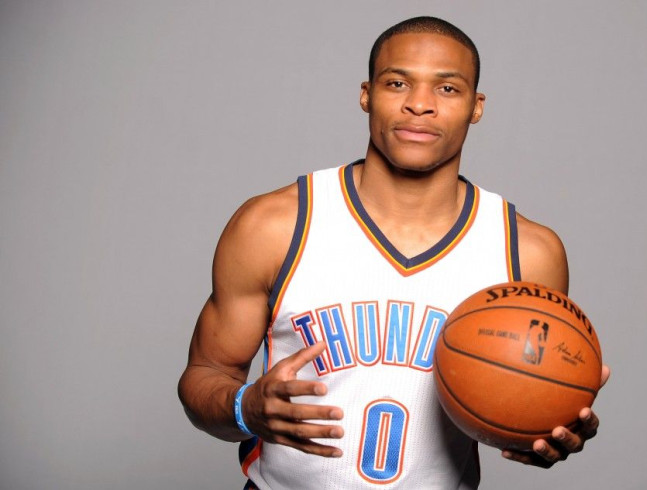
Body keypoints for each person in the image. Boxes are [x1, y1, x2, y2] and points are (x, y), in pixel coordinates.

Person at [178, 16, 610, 490]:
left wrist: (543, 432)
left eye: (447, 89)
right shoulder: (275, 226)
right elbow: (206, 376)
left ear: (476, 106)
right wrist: (246, 409)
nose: (419, 105)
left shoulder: (527, 253)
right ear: (367, 94)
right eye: (398, 82)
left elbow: (524, 407)